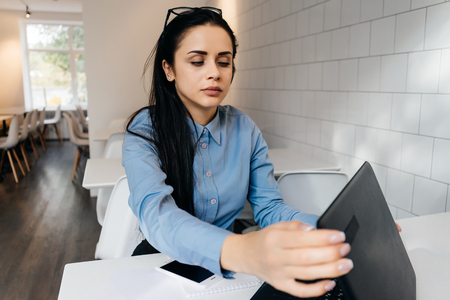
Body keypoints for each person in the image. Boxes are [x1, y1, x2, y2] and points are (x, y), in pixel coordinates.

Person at [122, 7, 353, 298]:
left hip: (227, 272)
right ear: (168, 69)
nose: (214, 73)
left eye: (224, 62)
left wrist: (330, 230)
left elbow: (269, 209)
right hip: (159, 263)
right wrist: (243, 249)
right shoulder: (144, 131)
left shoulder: (245, 128)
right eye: (197, 61)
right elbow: (157, 216)